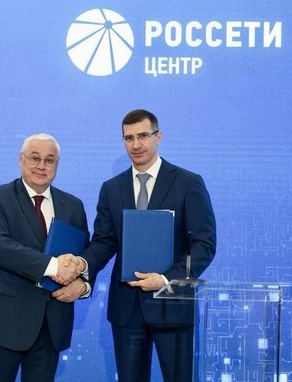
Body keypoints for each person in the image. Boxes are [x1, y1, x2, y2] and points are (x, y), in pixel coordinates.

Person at [81, 109, 217, 382]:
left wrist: (166, 279)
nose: (136, 144)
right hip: (127, 309)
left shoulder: (188, 183)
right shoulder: (111, 188)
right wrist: (81, 266)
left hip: (173, 305)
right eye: (129, 138)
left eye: (143, 136)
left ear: (158, 137)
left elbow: (204, 244)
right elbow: (104, 242)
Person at [0, 133, 90, 382]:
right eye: (35, 158)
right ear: (21, 159)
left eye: (49, 160)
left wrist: (83, 285)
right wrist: (53, 266)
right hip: (2, 324)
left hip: (51, 326)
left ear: (57, 164)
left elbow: (85, 254)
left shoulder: (73, 205)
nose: (41, 166)